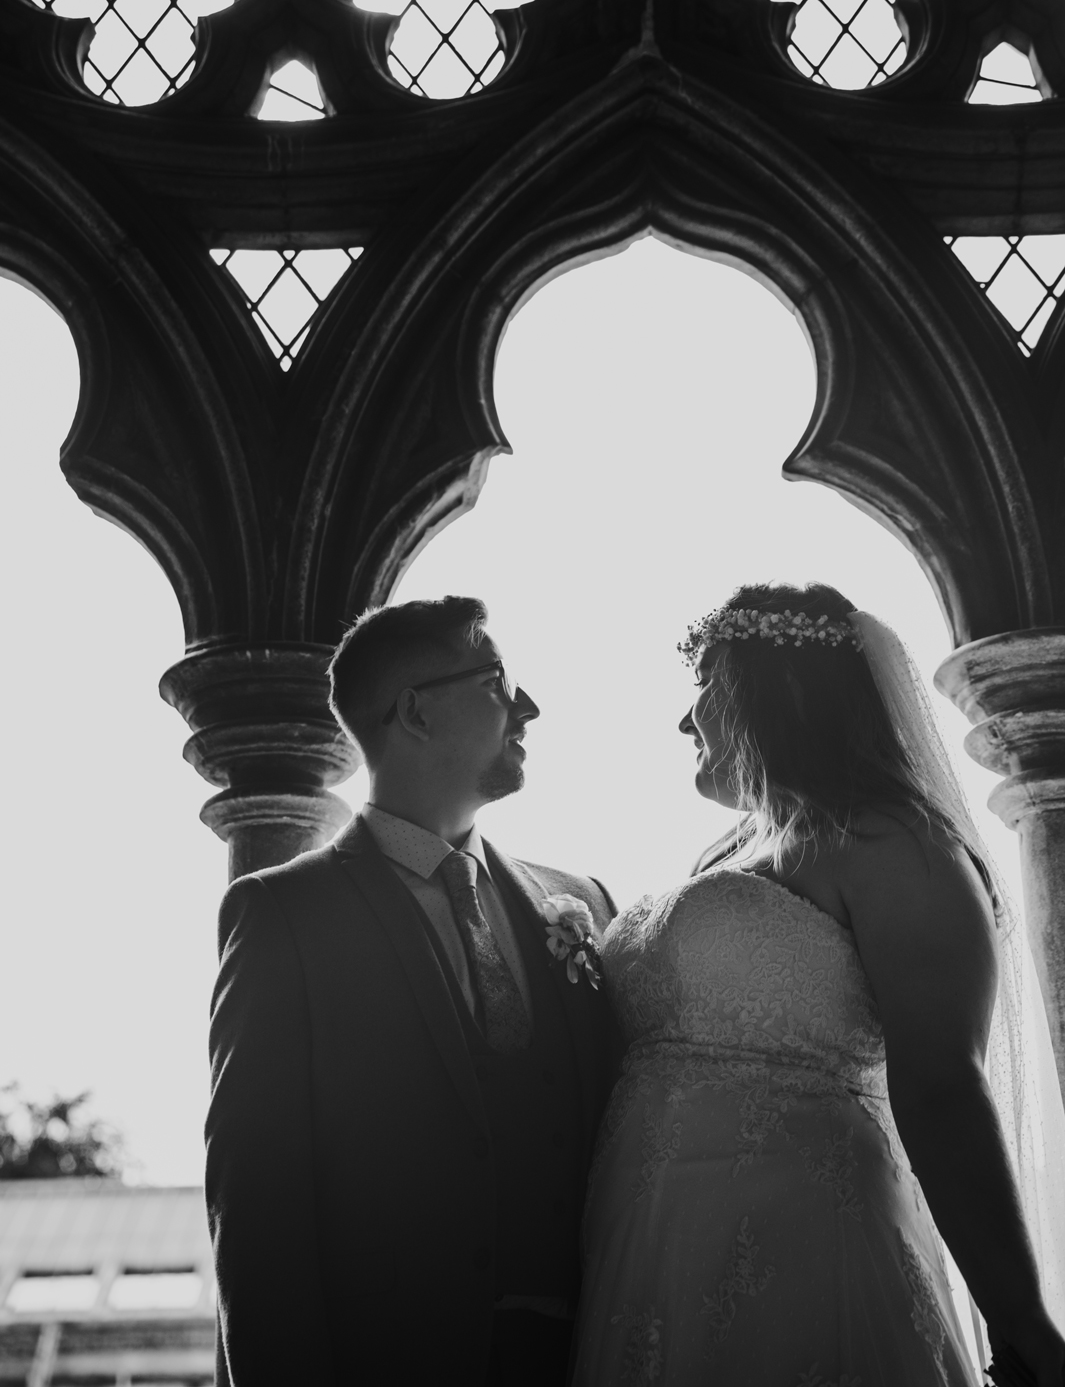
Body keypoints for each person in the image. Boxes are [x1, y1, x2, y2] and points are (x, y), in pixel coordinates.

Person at [572, 581, 1065, 1387]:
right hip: (647, 1245)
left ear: (774, 695)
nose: (684, 721)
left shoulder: (896, 847)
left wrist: (1021, 1322)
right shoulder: (728, 852)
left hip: (804, 1239)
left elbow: (942, 1083)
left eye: (702, 691)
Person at [206, 596, 621, 1386]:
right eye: (498, 682)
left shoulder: (585, 902)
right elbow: (256, 1201)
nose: (528, 707)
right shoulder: (283, 915)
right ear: (415, 714)